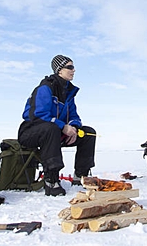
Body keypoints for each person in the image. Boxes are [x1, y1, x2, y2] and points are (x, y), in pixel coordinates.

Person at [18, 54, 96, 196]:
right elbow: (37, 115)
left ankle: (81, 176)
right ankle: (51, 179)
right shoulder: (45, 88)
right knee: (51, 128)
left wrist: (74, 129)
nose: (73, 70)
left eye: (73, 67)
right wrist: (63, 127)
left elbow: (74, 116)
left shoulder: (69, 93)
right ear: (59, 70)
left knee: (88, 133)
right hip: (31, 132)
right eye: (70, 67)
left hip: (55, 132)